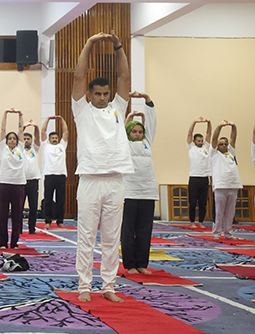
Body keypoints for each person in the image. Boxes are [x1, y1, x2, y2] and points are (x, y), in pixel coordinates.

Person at [72, 31, 132, 303]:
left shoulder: (118, 107)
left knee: (111, 238)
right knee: (86, 237)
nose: (102, 98)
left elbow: (124, 78)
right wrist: (88, 43)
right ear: (90, 94)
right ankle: (84, 285)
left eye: (105, 94)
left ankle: (109, 285)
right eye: (97, 94)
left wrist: (118, 46)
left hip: (116, 179)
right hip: (90, 180)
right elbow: (77, 77)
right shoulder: (82, 111)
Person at [121, 91, 157, 274]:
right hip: (129, 192)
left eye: (140, 131)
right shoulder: (123, 143)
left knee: (144, 230)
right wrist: (129, 117)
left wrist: (146, 98)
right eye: (134, 131)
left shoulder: (147, 142)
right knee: (128, 230)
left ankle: (142, 264)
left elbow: (151, 120)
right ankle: (129, 264)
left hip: (148, 191)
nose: (137, 134)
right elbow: (120, 130)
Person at [0, 108, 26, 249]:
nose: (12, 140)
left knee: (17, 215)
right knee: (2, 215)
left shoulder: (20, 148)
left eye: (14, 138)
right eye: (10, 138)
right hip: (3, 184)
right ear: (6, 141)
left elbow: (21, 130)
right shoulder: (2, 148)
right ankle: (2, 242)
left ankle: (14, 242)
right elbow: (3, 129)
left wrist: (20, 117)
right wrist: (5, 114)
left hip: (18, 184)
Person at [210, 120, 242, 240]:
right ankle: (217, 233)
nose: (223, 146)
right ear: (217, 146)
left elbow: (234, 138)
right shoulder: (214, 154)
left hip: (233, 185)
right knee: (219, 212)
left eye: (225, 144)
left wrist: (233, 126)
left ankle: (228, 233)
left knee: (230, 213)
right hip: (220, 185)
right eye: (221, 144)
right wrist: (220, 126)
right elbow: (214, 139)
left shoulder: (231, 153)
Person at [40, 115, 69, 228]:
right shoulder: (46, 145)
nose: (55, 139)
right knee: (48, 199)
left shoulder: (62, 145)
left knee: (61, 200)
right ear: (49, 139)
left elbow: (66, 132)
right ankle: (48, 221)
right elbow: (42, 132)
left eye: (56, 138)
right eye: (52, 138)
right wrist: (47, 119)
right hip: (49, 175)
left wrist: (61, 120)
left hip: (61, 175)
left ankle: (60, 221)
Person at [186, 117, 212, 228]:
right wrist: (194, 122)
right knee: (192, 202)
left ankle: (201, 222)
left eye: (202, 141)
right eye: (199, 141)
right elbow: (189, 134)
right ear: (194, 141)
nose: (201, 142)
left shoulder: (206, 146)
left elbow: (209, 133)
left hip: (204, 178)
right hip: (194, 178)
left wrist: (209, 123)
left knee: (203, 203)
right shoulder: (191, 147)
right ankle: (192, 222)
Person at [21, 120, 41, 234]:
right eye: (24, 139)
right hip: (22, 181)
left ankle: (32, 229)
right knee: (20, 206)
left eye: (28, 139)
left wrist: (36, 127)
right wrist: (24, 127)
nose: (26, 140)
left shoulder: (35, 148)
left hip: (33, 181)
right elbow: (18, 136)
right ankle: (18, 229)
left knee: (33, 207)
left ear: (31, 140)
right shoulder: (19, 148)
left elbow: (38, 137)